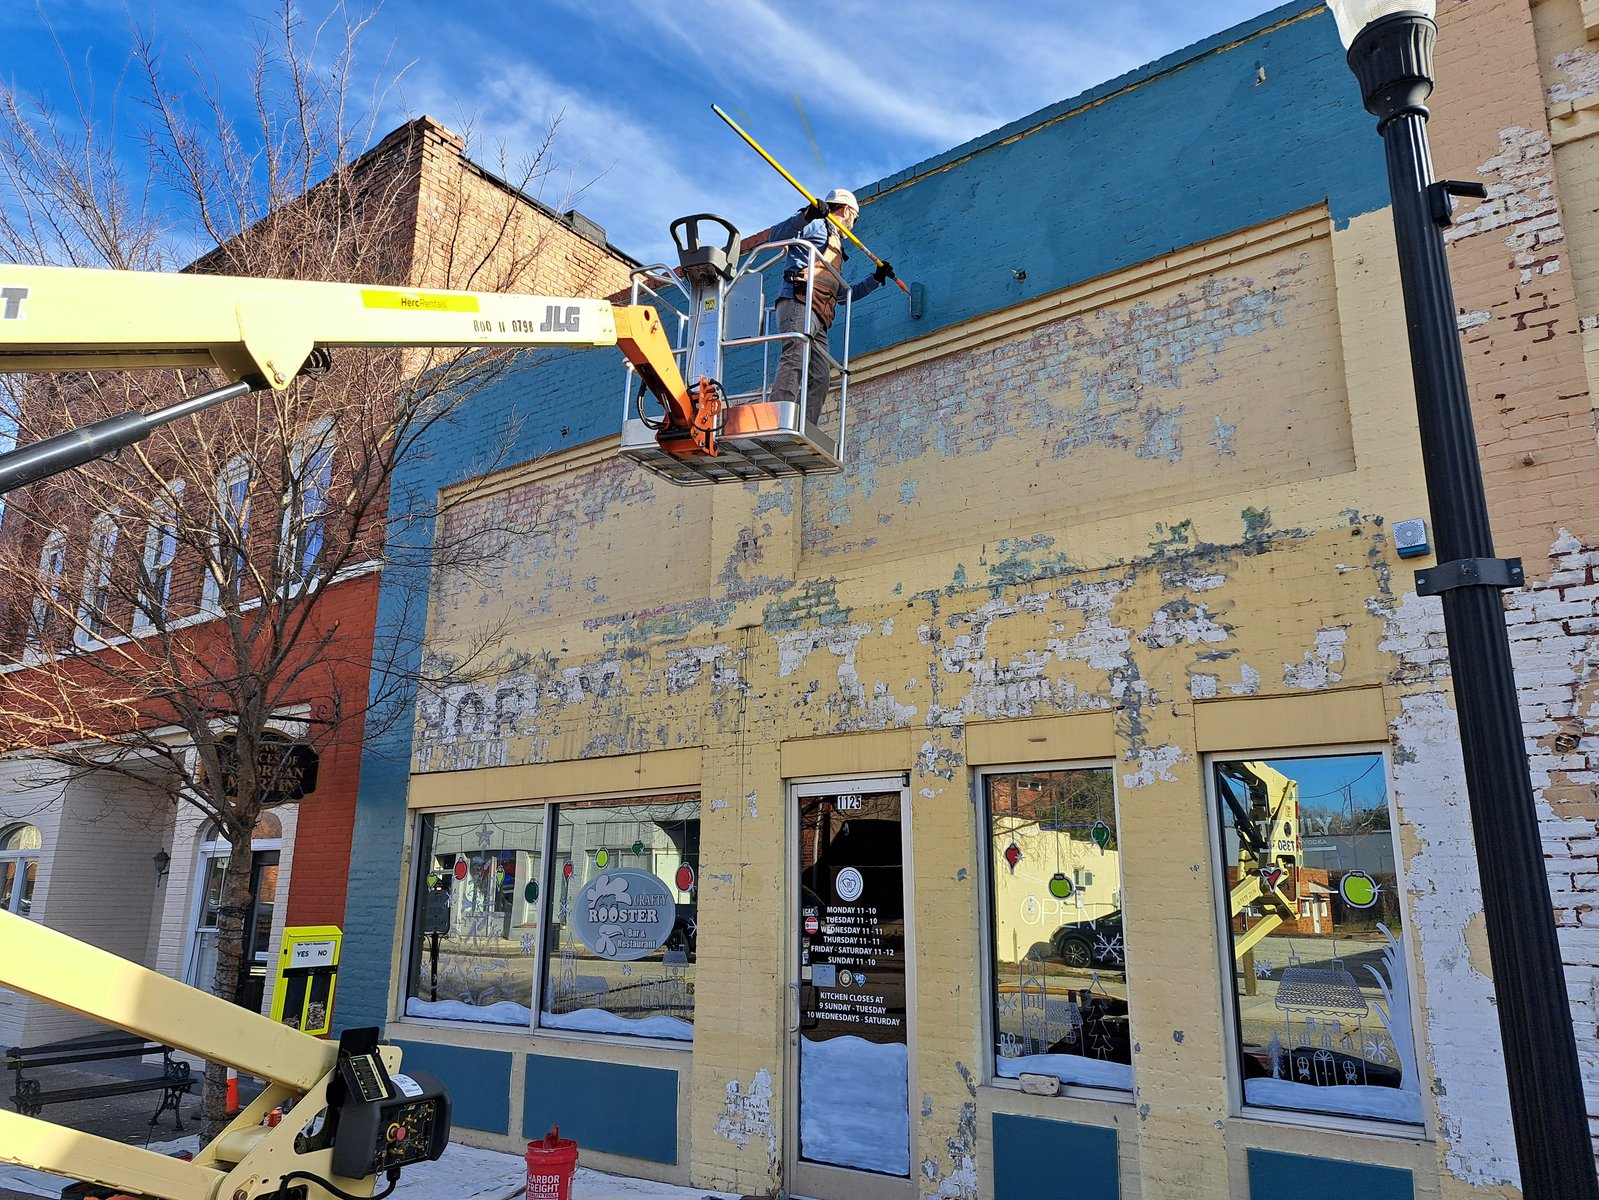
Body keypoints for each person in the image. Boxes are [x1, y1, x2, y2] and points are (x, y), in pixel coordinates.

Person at [769, 188, 894, 427]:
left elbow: (842, 295)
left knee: (821, 376)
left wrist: (875, 280)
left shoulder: (835, 247)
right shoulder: (818, 226)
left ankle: (805, 426)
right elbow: (776, 237)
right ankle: (778, 419)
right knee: (795, 357)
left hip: (819, 314)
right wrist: (806, 215)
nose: (854, 225)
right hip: (798, 302)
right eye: (855, 219)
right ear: (846, 210)